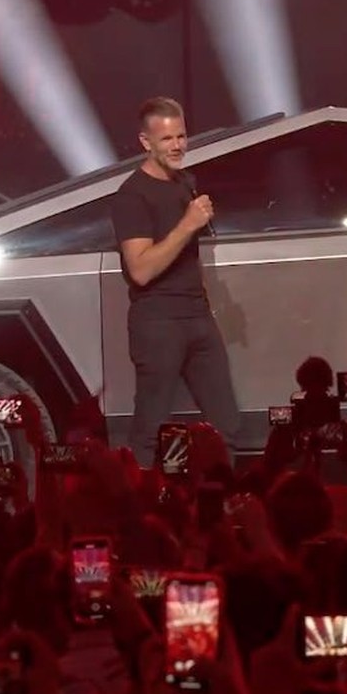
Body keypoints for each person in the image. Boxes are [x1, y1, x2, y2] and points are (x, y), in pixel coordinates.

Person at [111, 96, 242, 466]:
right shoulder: (131, 196)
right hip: (158, 323)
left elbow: (188, 255)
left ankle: (222, 512)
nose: (178, 146)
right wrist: (187, 224)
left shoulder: (186, 182)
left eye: (182, 136)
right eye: (167, 139)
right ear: (145, 142)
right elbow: (140, 270)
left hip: (197, 316)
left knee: (227, 426)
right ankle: (140, 513)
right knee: (150, 431)